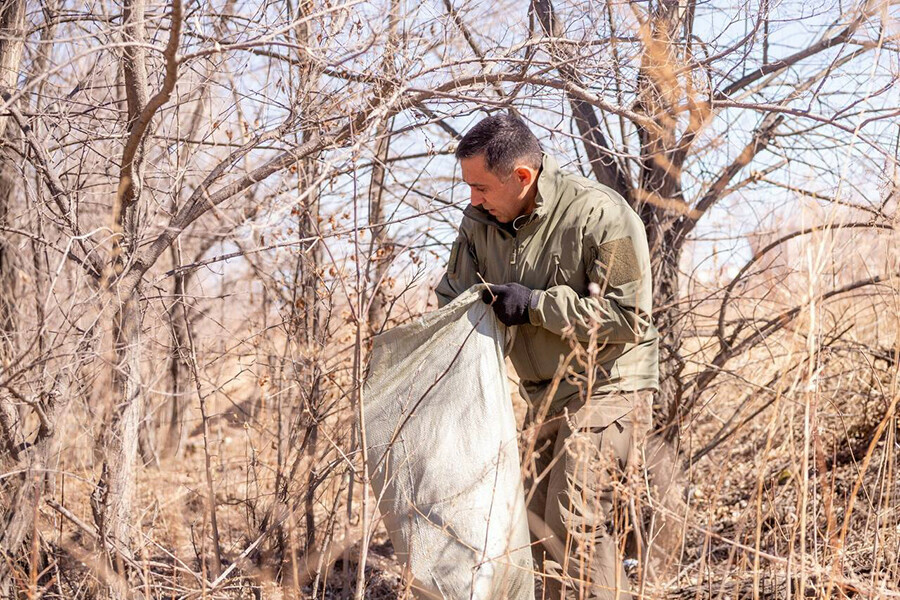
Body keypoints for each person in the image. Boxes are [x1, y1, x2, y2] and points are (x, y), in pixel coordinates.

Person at [434, 113, 659, 599]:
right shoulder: (479, 224)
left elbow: (630, 317)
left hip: (611, 387)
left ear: (521, 177)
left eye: (480, 187)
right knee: (535, 530)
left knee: (571, 522)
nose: (471, 199)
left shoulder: (601, 213)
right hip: (543, 399)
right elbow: (451, 302)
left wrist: (536, 306)